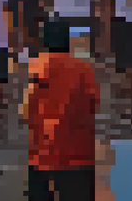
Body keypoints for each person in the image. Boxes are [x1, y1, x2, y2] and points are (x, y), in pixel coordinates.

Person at [21, 17, 101, 201]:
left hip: (43, 156)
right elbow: (93, 105)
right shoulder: (84, 69)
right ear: (68, 41)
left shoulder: (39, 66)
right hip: (80, 157)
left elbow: (26, 111)